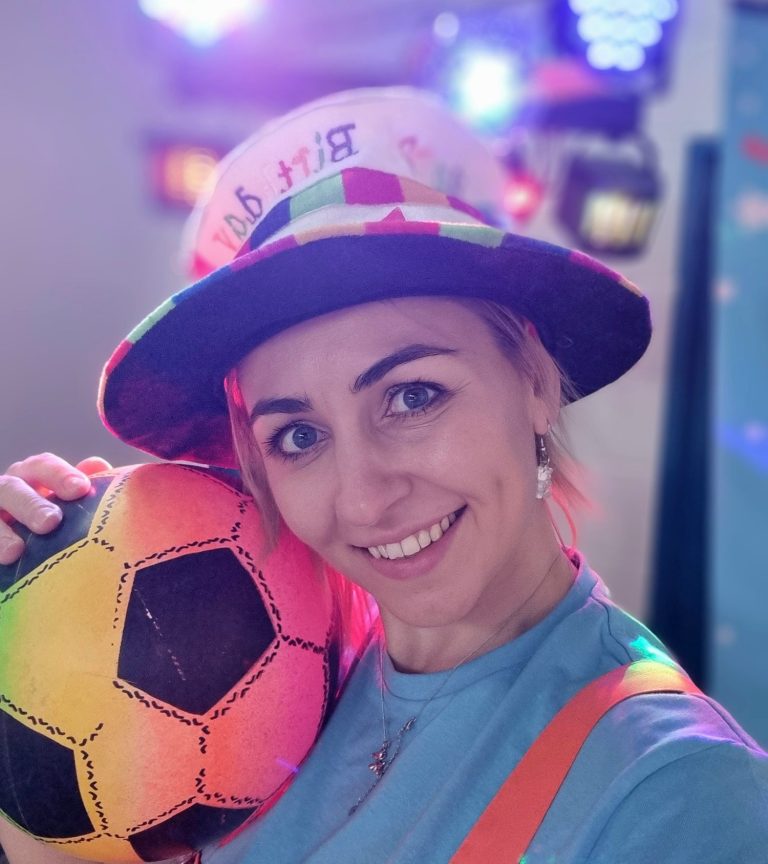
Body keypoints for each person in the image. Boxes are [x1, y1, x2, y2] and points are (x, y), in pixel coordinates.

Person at [1, 87, 767, 864]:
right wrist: (37, 620)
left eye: (412, 396)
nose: (364, 498)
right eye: (298, 434)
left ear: (535, 381)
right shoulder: (266, 669)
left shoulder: (676, 794)